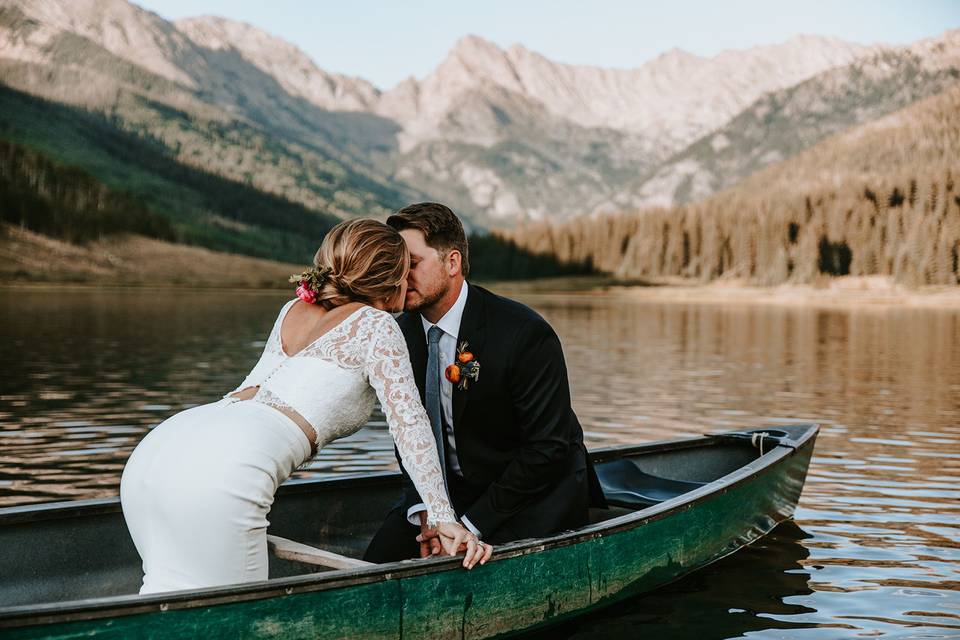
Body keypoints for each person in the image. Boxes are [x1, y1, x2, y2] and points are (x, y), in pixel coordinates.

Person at [120, 219, 490, 595]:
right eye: (405, 268)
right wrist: (444, 517)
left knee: (163, 598)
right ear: (391, 278)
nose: (410, 279)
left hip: (157, 456)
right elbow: (410, 426)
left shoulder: (293, 309)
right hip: (224, 472)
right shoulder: (377, 326)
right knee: (238, 622)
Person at [364, 203, 605, 563]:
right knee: (372, 565)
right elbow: (407, 436)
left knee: (468, 566)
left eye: (411, 263)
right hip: (447, 496)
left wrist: (469, 524)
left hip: (533, 492)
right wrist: (429, 512)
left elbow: (547, 448)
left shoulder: (524, 333)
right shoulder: (397, 335)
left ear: (452, 263)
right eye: (396, 264)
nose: (399, 276)